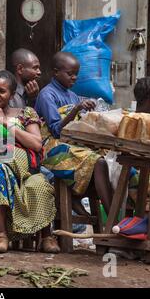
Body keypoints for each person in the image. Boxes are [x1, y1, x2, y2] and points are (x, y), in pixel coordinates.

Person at [0, 70, 59, 254]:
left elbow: (35, 143)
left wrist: (4, 122)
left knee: (39, 185)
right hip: (2, 170)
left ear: (11, 95)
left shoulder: (25, 113)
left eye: (1, 91)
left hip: (29, 172)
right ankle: (1, 235)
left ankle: (46, 236)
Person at [35, 52, 113, 215]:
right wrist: (77, 108)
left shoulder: (72, 95)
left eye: (76, 74)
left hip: (70, 145)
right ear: (56, 72)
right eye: (70, 74)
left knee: (107, 160)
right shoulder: (47, 95)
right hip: (51, 149)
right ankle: (112, 219)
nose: (74, 78)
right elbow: (56, 130)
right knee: (97, 162)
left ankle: (77, 200)